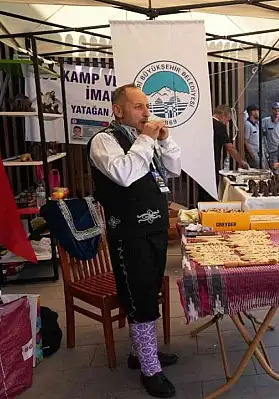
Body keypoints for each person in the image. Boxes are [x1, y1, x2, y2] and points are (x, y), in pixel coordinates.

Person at [88, 84, 182, 397]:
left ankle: (141, 354)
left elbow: (174, 169)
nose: (147, 113)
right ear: (118, 110)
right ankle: (149, 369)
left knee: (147, 292)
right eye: (139, 107)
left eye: (147, 106)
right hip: (128, 233)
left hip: (154, 229)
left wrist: (165, 141)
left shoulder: (144, 140)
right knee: (138, 296)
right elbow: (125, 175)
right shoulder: (104, 140)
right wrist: (146, 138)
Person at [198, 105, 249, 202]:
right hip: (212, 162)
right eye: (228, 119)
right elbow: (230, 147)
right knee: (211, 192)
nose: (227, 122)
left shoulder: (203, 123)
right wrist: (241, 161)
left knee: (202, 191)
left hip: (200, 162)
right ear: (223, 115)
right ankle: (209, 213)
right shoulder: (219, 126)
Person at [262, 101, 279, 168]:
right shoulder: (265, 121)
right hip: (272, 151)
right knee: (275, 170)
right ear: (272, 110)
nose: (277, 112)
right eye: (275, 110)